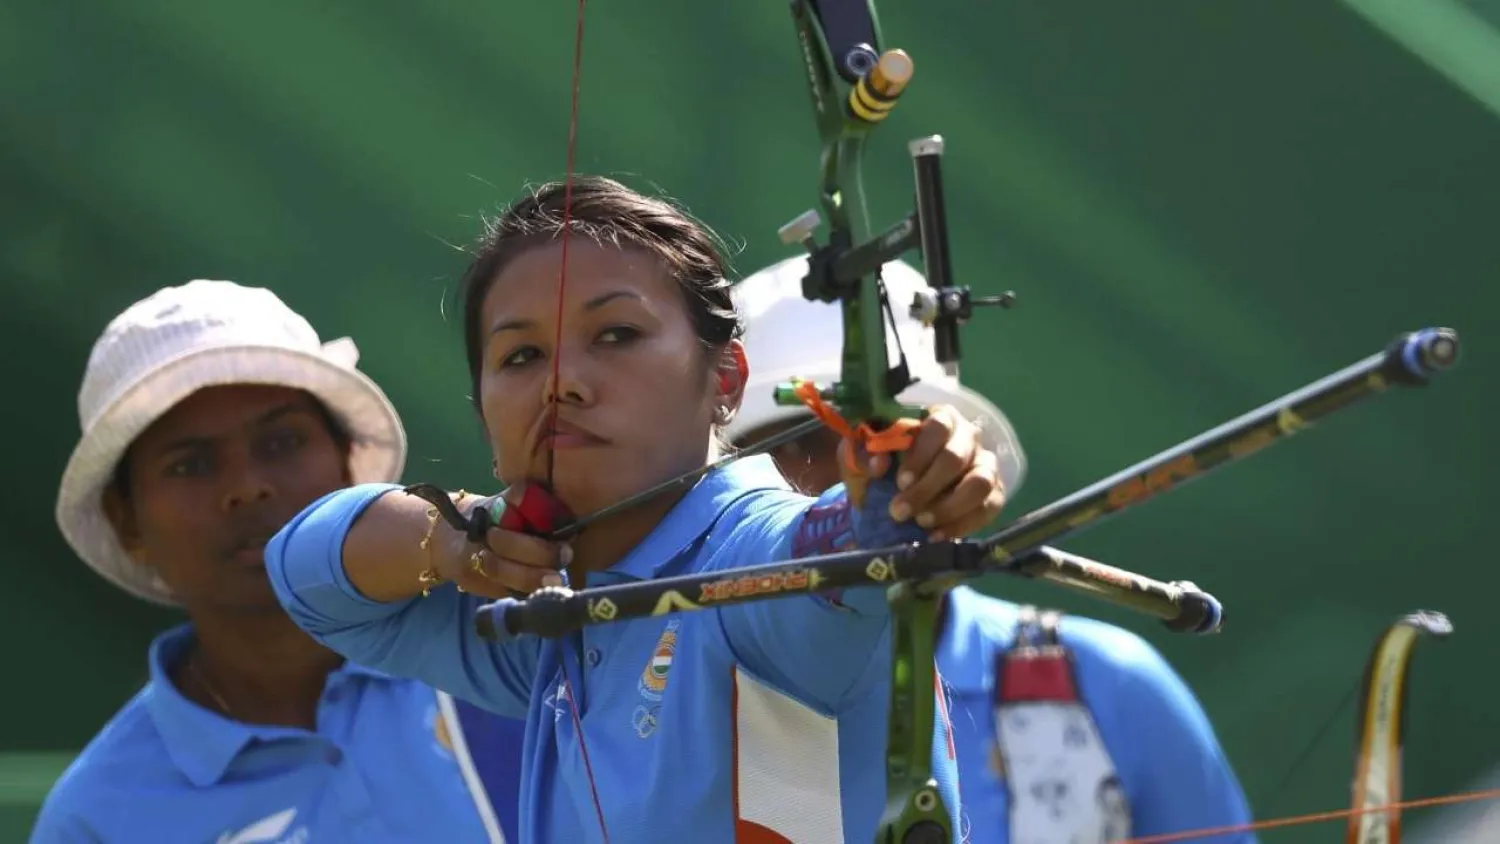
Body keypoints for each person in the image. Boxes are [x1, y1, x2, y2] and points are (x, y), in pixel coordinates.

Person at [263, 175, 1011, 844]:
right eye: (520, 357)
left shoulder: (741, 554)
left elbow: (819, 564)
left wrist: (897, 499)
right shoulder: (546, 608)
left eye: (616, 335)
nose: (562, 383)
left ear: (725, 379)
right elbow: (303, 572)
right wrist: (457, 540)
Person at [727, 255, 1259, 844]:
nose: (855, 480)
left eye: (896, 440)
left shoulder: (1108, 686)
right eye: (798, 444)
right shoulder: (674, 696)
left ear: (954, 460)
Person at [34, 280, 523, 843]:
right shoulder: (96, 819)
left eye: (283, 442)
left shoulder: (501, 642)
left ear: (348, 466)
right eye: (189, 465)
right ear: (128, 522)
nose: (247, 487)